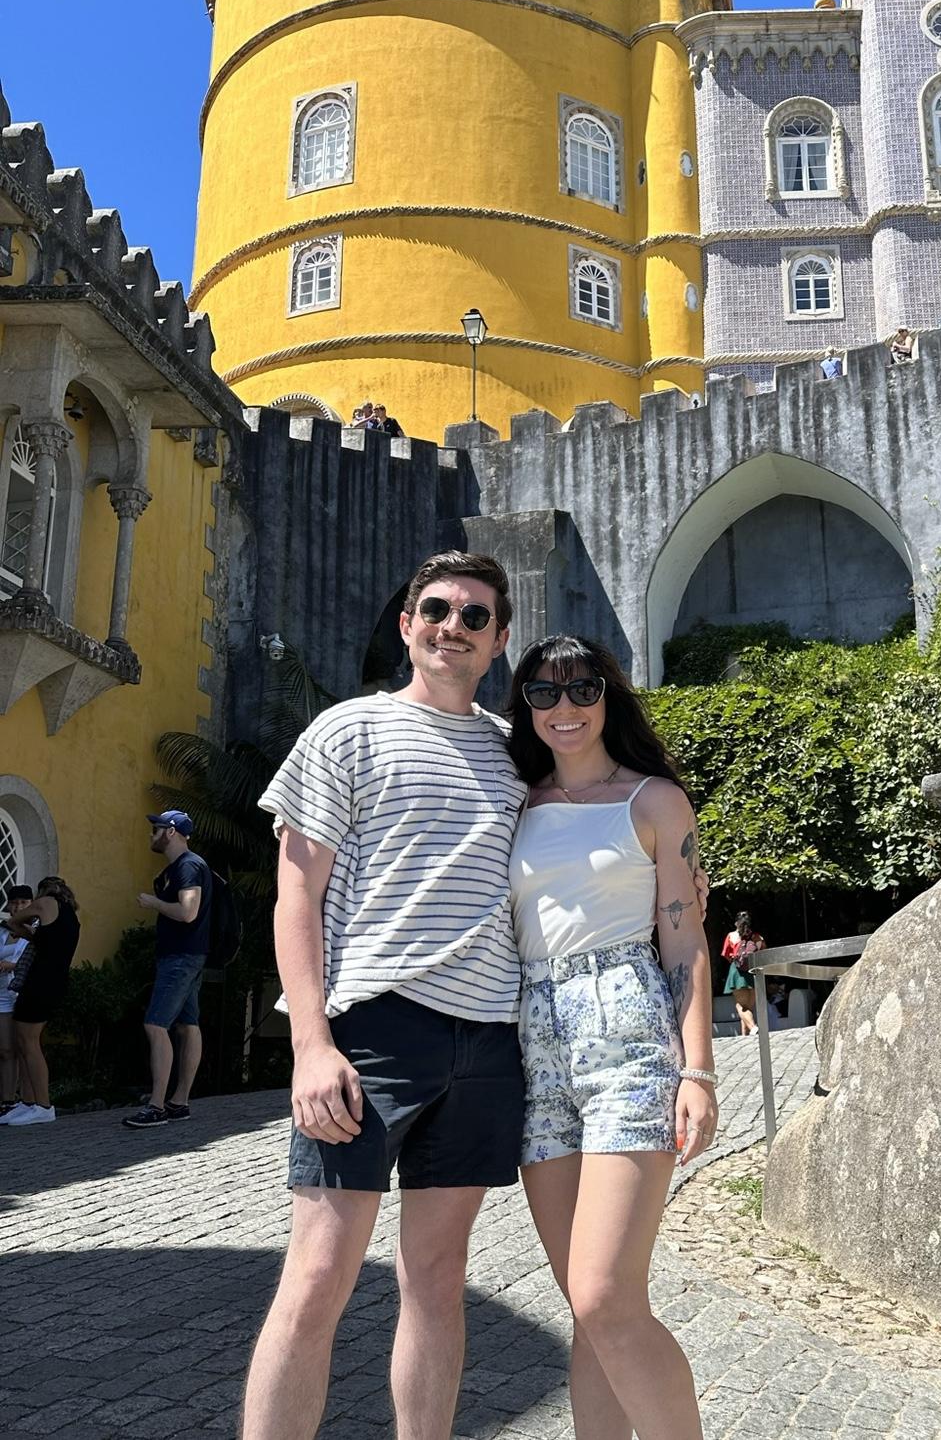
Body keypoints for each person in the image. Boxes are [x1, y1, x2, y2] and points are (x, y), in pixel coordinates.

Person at [240, 550, 528, 1440]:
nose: (453, 625)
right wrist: (312, 1043)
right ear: (408, 625)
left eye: (474, 616)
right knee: (319, 1276)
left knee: (438, 1279)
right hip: (372, 1031)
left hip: (488, 1040)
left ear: (498, 641)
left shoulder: (515, 756)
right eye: (436, 608)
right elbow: (296, 894)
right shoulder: (346, 732)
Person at [506, 632, 716, 1439]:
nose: (565, 708)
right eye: (544, 693)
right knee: (586, 1309)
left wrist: (697, 1072)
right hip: (535, 1040)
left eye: (583, 689)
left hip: (626, 1027)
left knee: (605, 1295)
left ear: (608, 695)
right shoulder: (517, 801)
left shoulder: (654, 800)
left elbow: (685, 939)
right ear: (525, 706)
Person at [123, 810, 212, 1129]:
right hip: (188, 955)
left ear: (171, 832)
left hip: (180, 957)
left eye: (156, 829)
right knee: (188, 1025)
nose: (151, 834)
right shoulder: (184, 866)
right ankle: (179, 1102)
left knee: (155, 1025)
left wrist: (153, 902)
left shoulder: (188, 865)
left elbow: (188, 912)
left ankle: (157, 1105)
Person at [0, 877, 80, 1126]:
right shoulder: (70, 916)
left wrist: (28, 933)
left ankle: (43, 1106)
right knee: (26, 1043)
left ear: (43, 891)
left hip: (40, 982)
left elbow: (13, 922)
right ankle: (28, 1103)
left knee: (28, 1042)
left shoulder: (45, 902)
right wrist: (37, 935)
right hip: (55, 982)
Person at [0, 884, 35, 1114]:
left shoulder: (37, 930)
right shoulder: (2, 931)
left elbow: (36, 961)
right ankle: (7, 1099)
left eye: (23, 903)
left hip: (22, 995)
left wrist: (13, 965)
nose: (18, 907)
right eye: (14, 903)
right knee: (5, 1049)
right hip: (1, 994)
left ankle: (28, 1099)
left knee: (25, 1048)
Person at [721, 911, 766, 1036]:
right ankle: (744, 1037)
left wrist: (738, 962)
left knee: (741, 1006)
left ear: (736, 922)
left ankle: (753, 1027)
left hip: (737, 973)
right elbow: (763, 951)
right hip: (753, 971)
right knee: (748, 1008)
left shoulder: (731, 936)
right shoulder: (757, 937)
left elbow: (726, 954)